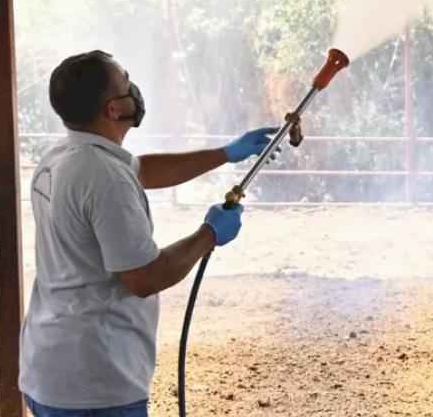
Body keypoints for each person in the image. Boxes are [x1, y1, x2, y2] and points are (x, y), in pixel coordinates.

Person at [19, 50, 277, 417]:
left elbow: (143, 171)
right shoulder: (104, 176)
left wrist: (226, 153)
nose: (134, 92)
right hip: (95, 382)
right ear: (112, 110)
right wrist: (209, 234)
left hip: (50, 369)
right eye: (126, 86)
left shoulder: (64, 156)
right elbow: (144, 277)